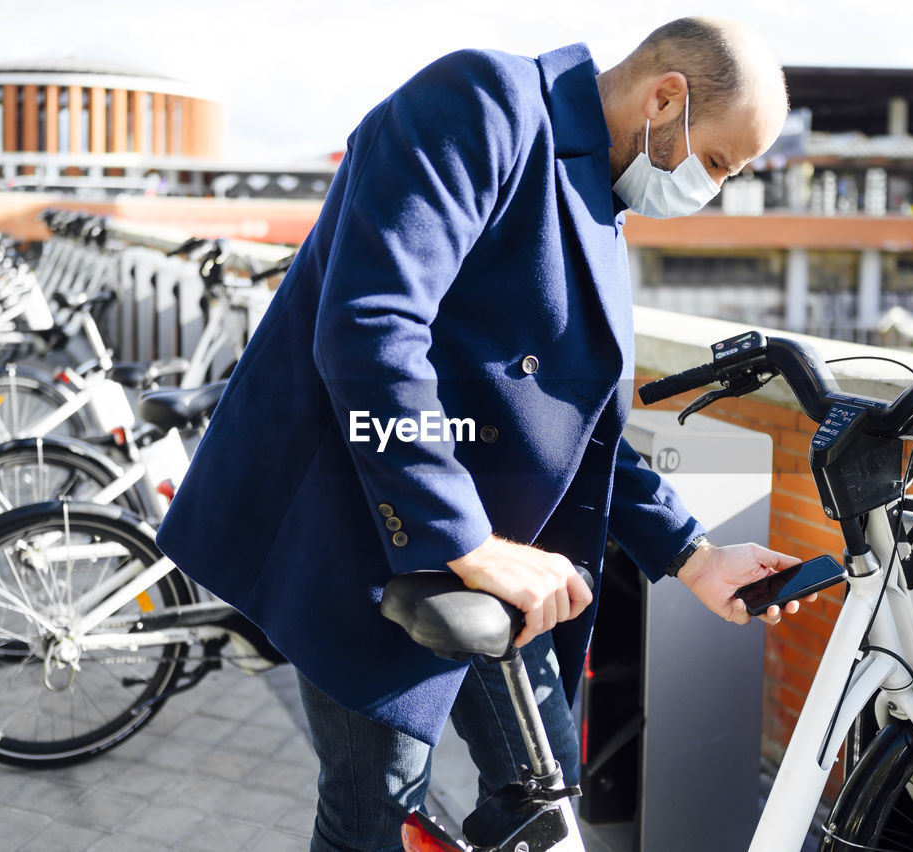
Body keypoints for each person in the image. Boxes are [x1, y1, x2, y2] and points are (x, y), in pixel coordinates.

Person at [157, 16, 803, 850]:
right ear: (666, 98)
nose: (713, 187)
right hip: (363, 529)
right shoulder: (483, 101)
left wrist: (693, 556)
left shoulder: (597, 197)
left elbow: (583, 433)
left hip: (497, 556)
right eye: (717, 161)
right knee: (375, 809)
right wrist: (462, 538)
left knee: (543, 793)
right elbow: (368, 328)